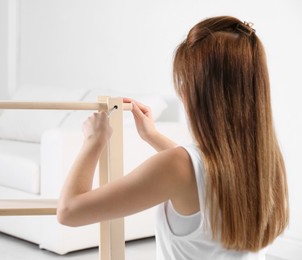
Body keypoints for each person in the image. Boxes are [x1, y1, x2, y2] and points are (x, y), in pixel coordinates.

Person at [57, 16, 289, 259]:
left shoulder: (177, 167)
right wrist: (152, 136)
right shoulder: (265, 159)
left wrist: (93, 142)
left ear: (200, 93)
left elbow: (68, 211)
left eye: (184, 81)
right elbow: (203, 176)